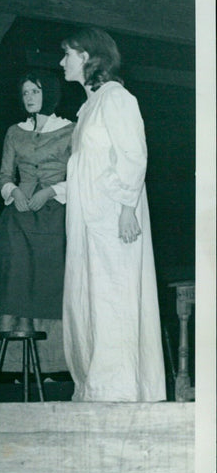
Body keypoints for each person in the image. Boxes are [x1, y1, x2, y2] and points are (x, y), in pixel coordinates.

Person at [60, 26, 165, 402]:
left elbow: (133, 155)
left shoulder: (118, 99)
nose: (62, 62)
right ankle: (95, 386)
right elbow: (86, 165)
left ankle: (118, 389)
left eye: (67, 54)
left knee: (113, 295)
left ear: (86, 57)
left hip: (113, 219)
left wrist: (126, 209)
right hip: (89, 221)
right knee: (88, 296)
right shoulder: (90, 106)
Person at [0, 70, 74, 376]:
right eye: (25, 92)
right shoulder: (14, 132)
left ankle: (56, 364)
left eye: (36, 91)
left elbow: (80, 175)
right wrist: (13, 191)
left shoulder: (71, 130)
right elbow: (4, 174)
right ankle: (13, 364)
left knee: (50, 283)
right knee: (14, 282)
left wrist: (51, 191)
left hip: (56, 216)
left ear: (49, 94)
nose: (29, 97)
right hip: (19, 218)